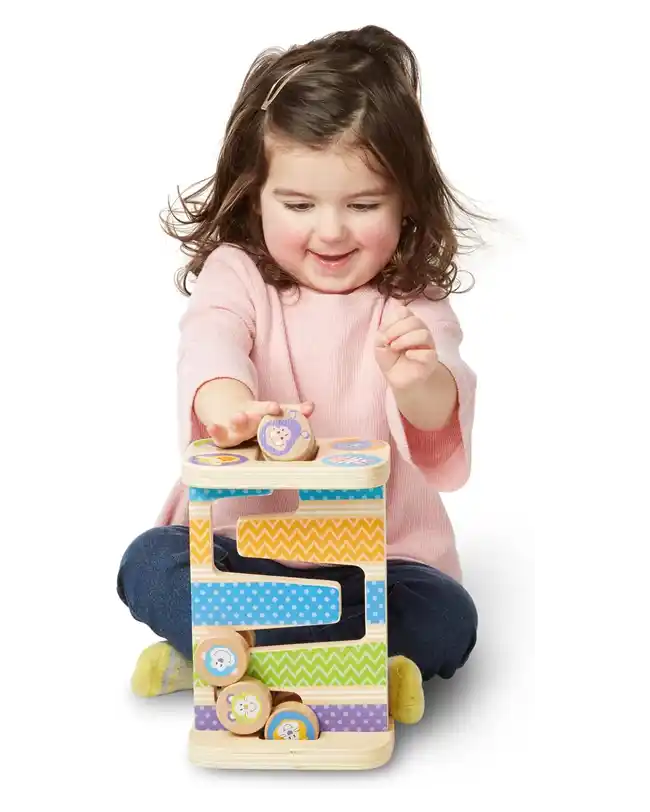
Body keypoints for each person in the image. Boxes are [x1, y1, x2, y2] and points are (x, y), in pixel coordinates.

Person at [117, 24, 483, 725]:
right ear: (255, 193)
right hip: (242, 555)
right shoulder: (240, 276)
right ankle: (348, 663)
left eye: (364, 204)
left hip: (377, 562)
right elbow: (210, 340)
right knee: (148, 563)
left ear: (406, 201)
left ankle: (229, 657)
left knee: (447, 614)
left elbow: (442, 409)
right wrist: (227, 401)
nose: (332, 231)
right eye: (299, 204)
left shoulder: (410, 302)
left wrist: (417, 382)